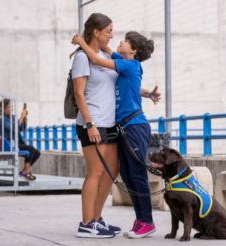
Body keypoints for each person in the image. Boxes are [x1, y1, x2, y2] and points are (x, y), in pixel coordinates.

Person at [70, 13, 160, 239]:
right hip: (98, 123)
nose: (114, 36)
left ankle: (138, 221)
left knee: (120, 172)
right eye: (109, 31)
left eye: (119, 36)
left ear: (134, 51)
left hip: (124, 125)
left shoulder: (124, 62)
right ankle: (88, 222)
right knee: (105, 172)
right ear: (97, 31)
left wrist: (83, 41)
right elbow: (80, 92)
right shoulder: (88, 57)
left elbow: (107, 66)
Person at [0, 99, 40, 181]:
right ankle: (26, 173)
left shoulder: (13, 118)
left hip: (17, 143)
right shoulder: (2, 120)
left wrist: (24, 118)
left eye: (12, 107)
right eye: (10, 107)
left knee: (37, 152)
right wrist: (21, 117)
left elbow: (21, 128)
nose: (12, 109)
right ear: (4, 109)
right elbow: (14, 129)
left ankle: (24, 171)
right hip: (10, 144)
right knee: (30, 149)